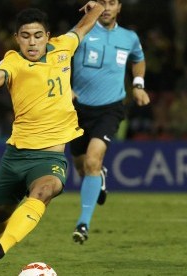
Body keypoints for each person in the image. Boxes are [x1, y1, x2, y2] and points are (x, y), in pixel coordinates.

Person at [0, 2, 105, 275]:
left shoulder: (63, 47)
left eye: (37, 35)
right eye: (25, 36)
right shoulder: (13, 61)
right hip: (17, 155)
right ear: (16, 38)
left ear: (48, 35)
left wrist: (99, 6)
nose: (32, 42)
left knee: (46, 190)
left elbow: (85, 25)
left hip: (50, 156)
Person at [70, 0, 150, 244]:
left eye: (111, 3)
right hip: (76, 110)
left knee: (93, 161)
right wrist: (65, 87)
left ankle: (83, 224)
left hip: (110, 108)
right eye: (101, 2)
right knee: (83, 167)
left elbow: (138, 58)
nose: (106, 7)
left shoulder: (129, 37)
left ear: (119, 8)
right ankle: (98, 176)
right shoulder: (81, 32)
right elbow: (58, 53)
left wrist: (138, 85)